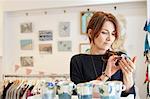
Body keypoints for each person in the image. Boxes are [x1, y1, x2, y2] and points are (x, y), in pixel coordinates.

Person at [70, 11, 136, 97]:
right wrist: (106, 75)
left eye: (113, 34)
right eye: (104, 32)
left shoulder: (119, 59)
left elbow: (128, 95)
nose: (110, 38)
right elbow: (78, 94)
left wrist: (128, 75)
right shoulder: (78, 61)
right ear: (90, 33)